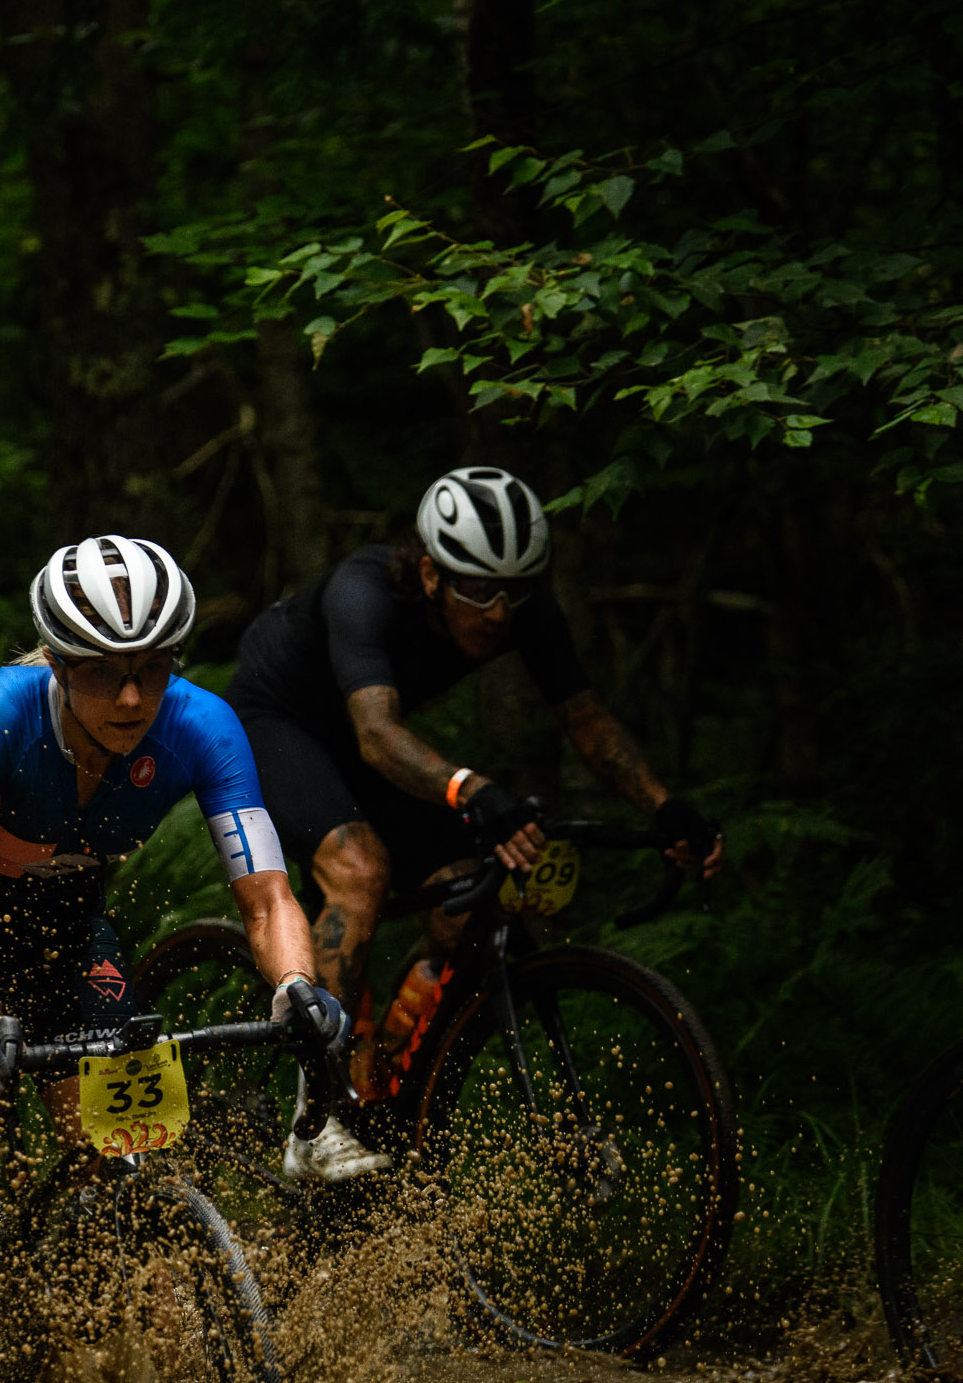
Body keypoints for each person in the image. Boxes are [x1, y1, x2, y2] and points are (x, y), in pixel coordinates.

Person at [0, 536, 356, 1295]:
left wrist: (294, 984)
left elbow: (267, 896)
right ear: (57, 666)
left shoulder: (205, 726)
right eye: (102, 673)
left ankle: (104, 1303)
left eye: (152, 670)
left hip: (61, 918)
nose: (131, 698)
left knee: (116, 1141)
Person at [224, 466, 722, 1179]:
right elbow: (373, 735)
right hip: (279, 721)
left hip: (373, 736)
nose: (498, 611)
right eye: (478, 589)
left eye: (515, 591)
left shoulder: (522, 608)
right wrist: (470, 789)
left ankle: (383, 1081)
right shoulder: (365, 592)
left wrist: (664, 806)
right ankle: (317, 1120)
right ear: (430, 572)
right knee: (359, 871)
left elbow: (584, 719)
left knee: (464, 903)